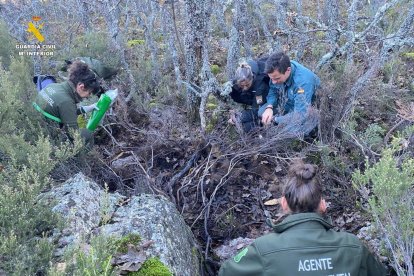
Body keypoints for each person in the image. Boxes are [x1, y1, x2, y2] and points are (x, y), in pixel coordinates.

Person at [219, 161, 387, 276]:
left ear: (284, 204)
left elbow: (225, 272)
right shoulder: (353, 246)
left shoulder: (264, 249)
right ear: (322, 205)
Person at [33, 60, 101, 146]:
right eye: (89, 92)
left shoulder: (53, 86)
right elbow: (74, 136)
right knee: (87, 135)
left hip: (34, 126)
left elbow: (62, 112)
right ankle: (82, 159)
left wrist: (86, 108)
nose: (88, 96)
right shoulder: (66, 101)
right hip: (43, 139)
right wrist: (90, 131)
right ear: (81, 86)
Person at [260, 52, 320, 135]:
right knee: (262, 112)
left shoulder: (302, 82)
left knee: (288, 133)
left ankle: (311, 133)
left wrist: (276, 120)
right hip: (289, 102)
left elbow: (301, 114)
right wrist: (269, 107)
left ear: (288, 70)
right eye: (271, 78)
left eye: (277, 79)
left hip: (308, 109)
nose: (273, 82)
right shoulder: (277, 71)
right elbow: (273, 90)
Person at [229, 58, 270, 132]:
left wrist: (239, 116)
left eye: (247, 85)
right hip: (251, 96)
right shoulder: (236, 81)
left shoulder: (260, 87)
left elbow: (257, 109)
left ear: (252, 79)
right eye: (242, 86)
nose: (244, 88)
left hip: (265, 101)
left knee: (246, 127)